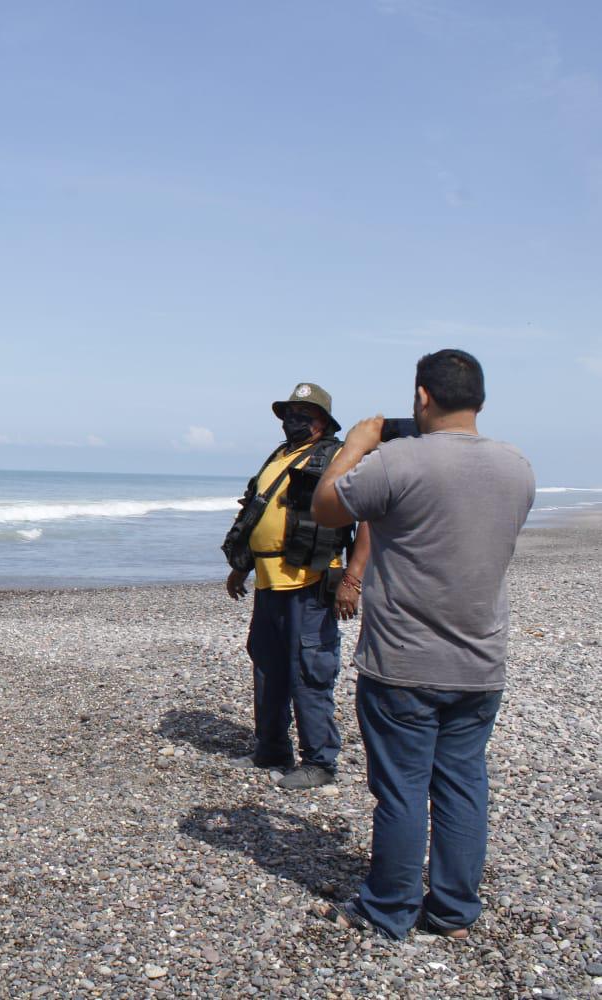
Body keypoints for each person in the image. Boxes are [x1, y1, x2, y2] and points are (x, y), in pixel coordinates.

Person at [311, 349, 534, 940]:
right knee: (462, 784)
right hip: (480, 661)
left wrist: (356, 445)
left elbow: (327, 505)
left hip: (404, 662)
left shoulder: (399, 461)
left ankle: (389, 909)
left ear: (422, 396)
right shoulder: (517, 467)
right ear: (479, 400)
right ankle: (455, 913)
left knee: (403, 790)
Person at [224, 382, 369, 791]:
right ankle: (271, 749)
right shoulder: (280, 456)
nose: (294, 420)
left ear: (323, 421)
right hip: (269, 584)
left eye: (304, 414)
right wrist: (242, 566)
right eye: (290, 413)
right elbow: (257, 512)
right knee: (267, 666)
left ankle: (319, 762)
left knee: (310, 670)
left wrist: (353, 582)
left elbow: (369, 518)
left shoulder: (340, 458)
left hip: (311, 582)